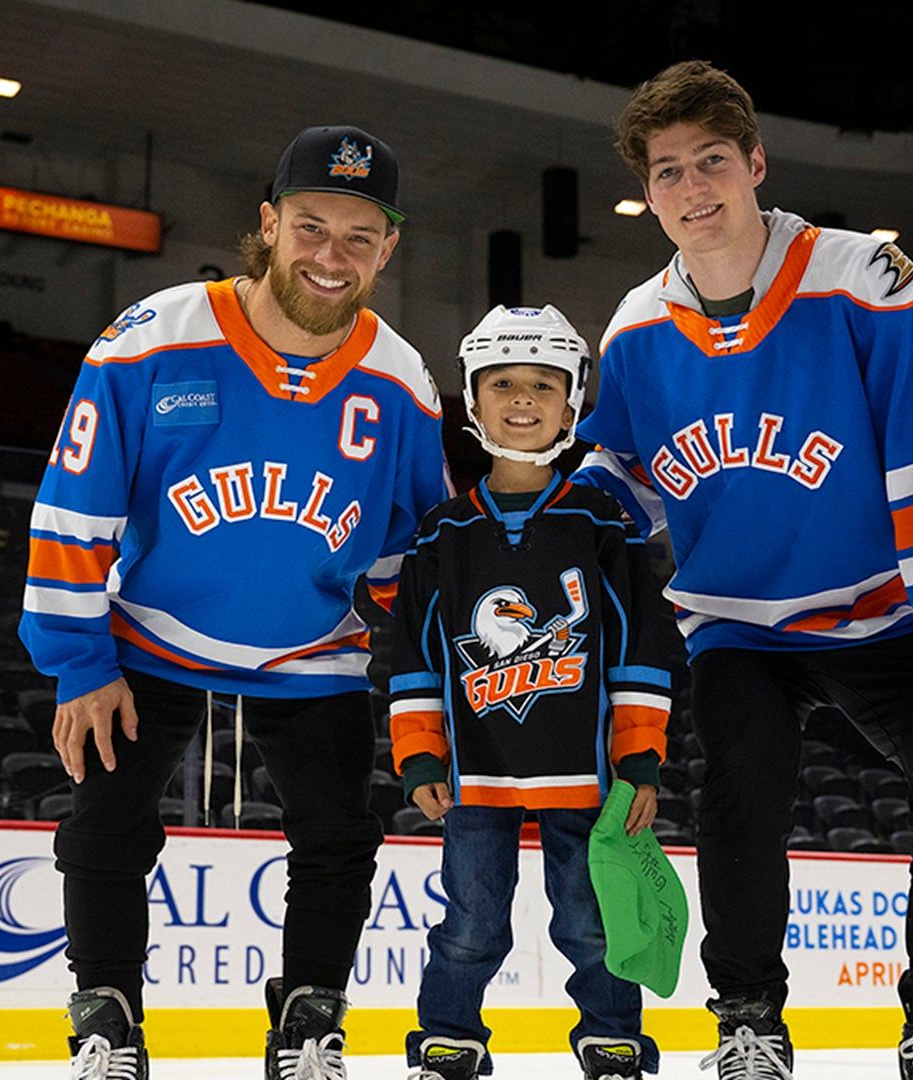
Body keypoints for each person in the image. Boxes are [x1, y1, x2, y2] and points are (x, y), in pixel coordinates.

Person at [572, 61, 913, 1080]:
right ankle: (748, 1022)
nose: (693, 188)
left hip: (886, 613)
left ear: (756, 161)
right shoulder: (637, 327)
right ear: (653, 191)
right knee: (740, 780)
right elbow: (622, 481)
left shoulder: (867, 282)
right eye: (668, 171)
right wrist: (540, 538)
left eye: (712, 161)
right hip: (737, 624)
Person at [18, 124, 448, 1080]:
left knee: (339, 835)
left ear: (389, 247)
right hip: (152, 634)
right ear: (269, 223)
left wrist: (436, 682)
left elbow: (412, 554)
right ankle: (107, 1017)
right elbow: (73, 509)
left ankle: (309, 1022)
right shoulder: (153, 337)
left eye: (358, 236)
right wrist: (81, 664)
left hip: (316, 648)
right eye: (311, 227)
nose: (332, 256)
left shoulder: (403, 379)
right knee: (104, 819)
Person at [388, 305, 674, 1080]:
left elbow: (641, 648)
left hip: (587, 778)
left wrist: (640, 759)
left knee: (593, 921)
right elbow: (413, 657)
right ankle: (450, 1034)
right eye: (504, 382)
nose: (523, 398)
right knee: (471, 923)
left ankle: (610, 1033)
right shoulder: (439, 535)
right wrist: (420, 760)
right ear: (473, 400)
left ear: (573, 401)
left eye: (544, 384)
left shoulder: (602, 522)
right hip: (474, 777)